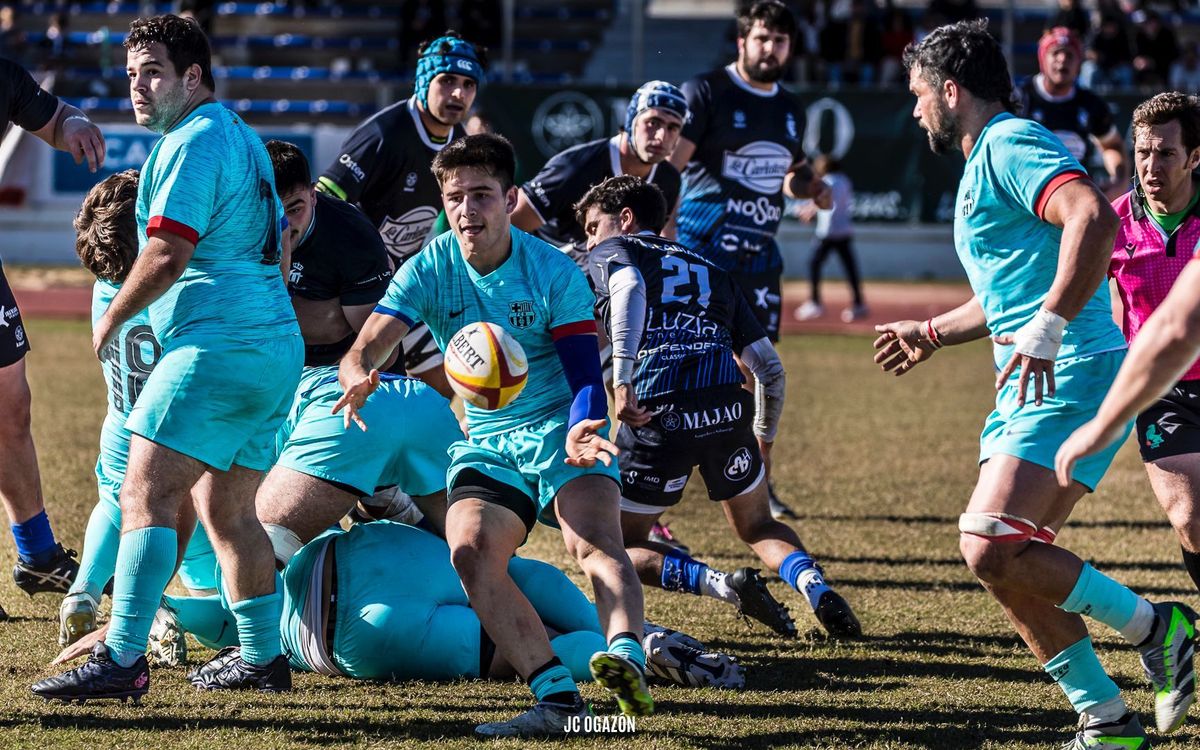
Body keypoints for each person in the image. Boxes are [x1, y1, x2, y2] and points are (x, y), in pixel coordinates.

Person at [873, 20, 1194, 747]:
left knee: (987, 542)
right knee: (1010, 563)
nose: (916, 109)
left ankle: (1158, 628)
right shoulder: (987, 155)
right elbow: (1009, 290)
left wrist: (1048, 325)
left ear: (951, 91)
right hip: (1028, 377)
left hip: (1071, 367)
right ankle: (1106, 719)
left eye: (920, 94)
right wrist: (928, 335)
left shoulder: (1010, 142)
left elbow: (1091, 220)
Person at [337, 134, 652, 738]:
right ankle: (558, 700)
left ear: (510, 199)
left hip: (565, 424)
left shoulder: (552, 270)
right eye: (454, 197)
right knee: (471, 552)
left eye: (481, 195)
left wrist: (586, 425)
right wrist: (356, 373)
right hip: (487, 439)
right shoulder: (428, 268)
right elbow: (368, 344)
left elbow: (586, 374)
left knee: (594, 545)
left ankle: (628, 660)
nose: (466, 210)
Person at [32, 14, 303, 702]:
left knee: (144, 491)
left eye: (153, 71)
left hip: (219, 345)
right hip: (274, 346)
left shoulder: (194, 139)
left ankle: (121, 657)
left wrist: (112, 315)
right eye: (130, 75)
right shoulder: (240, 135)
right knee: (229, 510)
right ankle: (263, 658)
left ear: (193, 76)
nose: (138, 88)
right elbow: (277, 249)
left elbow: (167, 249)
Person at [579, 174, 862, 639]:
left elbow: (628, 287)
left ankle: (720, 584)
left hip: (658, 411)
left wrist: (623, 377)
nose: (588, 240)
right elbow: (770, 370)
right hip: (728, 409)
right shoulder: (712, 269)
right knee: (757, 525)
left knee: (614, 544)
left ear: (624, 220)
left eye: (593, 227)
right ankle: (817, 589)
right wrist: (763, 441)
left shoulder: (615, 251)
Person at [54, 521, 744, 693]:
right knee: (516, 576)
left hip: (347, 630)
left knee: (505, 655)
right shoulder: (231, 476)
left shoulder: (186, 583)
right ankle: (638, 640)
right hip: (372, 550)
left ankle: (611, 660)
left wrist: (133, 623)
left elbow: (214, 618)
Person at [670, 0, 828, 522]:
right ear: (742, 41)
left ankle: (760, 479)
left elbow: (791, 173)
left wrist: (812, 188)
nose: (771, 48)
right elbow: (671, 167)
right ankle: (670, 470)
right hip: (703, 253)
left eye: (780, 40)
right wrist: (661, 231)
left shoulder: (791, 106)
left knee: (764, 372)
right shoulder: (707, 91)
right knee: (693, 365)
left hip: (759, 257)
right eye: (762, 38)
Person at [59, 169, 217, 649]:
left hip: (120, 423)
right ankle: (153, 612)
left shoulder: (104, 287)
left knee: (113, 504)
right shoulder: (170, 290)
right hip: (170, 430)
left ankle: (83, 591)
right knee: (196, 549)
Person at [1062, 93, 1200, 611]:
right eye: (1143, 151)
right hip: (1162, 390)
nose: (1149, 165)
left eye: (1165, 153)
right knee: (1190, 517)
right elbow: (1064, 290)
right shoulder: (1113, 222)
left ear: (1195, 157)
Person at [318, 31, 485, 398]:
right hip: (353, 285)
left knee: (445, 385)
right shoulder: (385, 133)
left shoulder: (458, 141)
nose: (458, 93)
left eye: (468, 84)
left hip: (403, 278)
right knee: (369, 388)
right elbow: (323, 199)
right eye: (448, 81)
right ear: (425, 81)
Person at [0, 57, 105, 614]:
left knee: (11, 408)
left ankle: (36, 554)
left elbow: (50, 115)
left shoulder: (3, 75)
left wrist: (75, 125)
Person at [1017, 28, 1130, 202]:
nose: (1062, 59)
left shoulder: (1090, 103)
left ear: (1079, 63)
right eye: (1055, 53)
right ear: (1042, 58)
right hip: (1028, 197)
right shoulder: (1019, 98)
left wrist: (1118, 182)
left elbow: (1111, 146)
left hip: (1076, 198)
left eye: (1069, 55)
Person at [794, 155, 867, 323]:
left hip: (828, 232)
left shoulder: (827, 181)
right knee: (850, 269)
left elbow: (822, 200)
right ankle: (859, 304)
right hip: (844, 231)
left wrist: (806, 212)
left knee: (813, 264)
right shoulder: (845, 180)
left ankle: (814, 302)